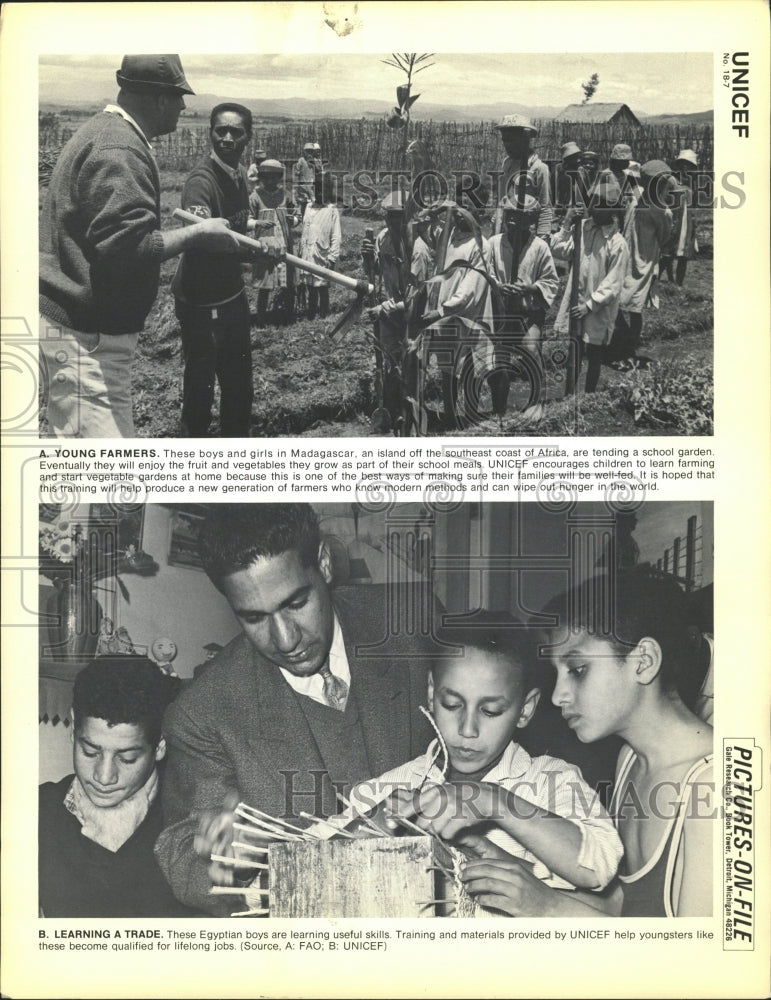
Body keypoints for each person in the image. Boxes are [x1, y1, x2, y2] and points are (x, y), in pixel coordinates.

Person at [154, 504, 433, 914]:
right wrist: (233, 862)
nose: (285, 640)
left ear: (323, 563)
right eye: (253, 618)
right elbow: (186, 863)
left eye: (296, 603)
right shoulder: (204, 713)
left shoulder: (413, 623)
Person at [317, 617, 623, 915]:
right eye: (452, 705)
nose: (467, 729)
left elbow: (599, 866)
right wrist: (372, 826)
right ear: (431, 693)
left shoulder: (549, 779)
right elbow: (303, 861)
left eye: (490, 711)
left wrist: (493, 799)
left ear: (525, 710)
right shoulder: (394, 785)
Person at [459, 572, 714, 918]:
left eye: (577, 670)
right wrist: (515, 874)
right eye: (558, 673)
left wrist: (547, 907)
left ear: (644, 662)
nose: (557, 695)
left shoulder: (716, 783)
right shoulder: (631, 761)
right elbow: (621, 909)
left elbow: (697, 965)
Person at [39, 54, 244, 438]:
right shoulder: (120, 149)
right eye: (179, 96)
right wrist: (198, 233)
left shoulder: (103, 133)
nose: (184, 107)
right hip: (90, 338)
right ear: (158, 98)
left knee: (80, 462)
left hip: (72, 324)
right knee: (117, 479)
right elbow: (126, 250)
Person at [38, 657, 196, 917]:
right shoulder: (37, 811)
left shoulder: (192, 818)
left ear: (160, 746)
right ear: (73, 726)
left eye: (127, 758)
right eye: (89, 751)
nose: (104, 776)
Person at [172, 102, 258, 438]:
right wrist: (256, 254)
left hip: (231, 293)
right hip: (201, 300)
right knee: (200, 386)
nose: (226, 137)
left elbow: (232, 222)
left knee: (239, 383)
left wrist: (254, 227)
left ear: (246, 138)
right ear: (211, 132)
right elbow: (205, 239)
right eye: (220, 130)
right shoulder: (201, 181)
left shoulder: (236, 175)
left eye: (235, 132)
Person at [420, 191, 496, 429]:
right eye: (458, 209)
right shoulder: (449, 235)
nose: (461, 215)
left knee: (469, 368)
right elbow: (424, 232)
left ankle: (471, 418)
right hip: (446, 314)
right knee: (447, 368)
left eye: (468, 210)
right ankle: (452, 418)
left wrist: (443, 310)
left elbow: (470, 289)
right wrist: (432, 213)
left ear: (477, 214)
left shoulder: (479, 245)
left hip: (467, 314)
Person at [551, 177, 630, 393]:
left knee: (594, 351)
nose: (594, 208)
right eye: (593, 202)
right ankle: (570, 394)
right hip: (576, 298)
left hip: (597, 306)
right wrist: (567, 224)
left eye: (600, 204)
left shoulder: (617, 243)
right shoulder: (583, 228)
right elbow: (558, 250)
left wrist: (590, 304)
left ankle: (589, 395)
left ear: (612, 210)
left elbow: (613, 284)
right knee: (575, 347)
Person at [488, 195, 559, 423]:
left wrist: (530, 288)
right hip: (501, 312)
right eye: (509, 216)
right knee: (499, 361)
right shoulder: (494, 243)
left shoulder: (539, 247)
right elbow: (483, 272)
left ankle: (536, 402)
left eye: (519, 218)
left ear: (530, 221)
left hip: (528, 313)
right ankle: (499, 409)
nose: (512, 222)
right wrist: (498, 286)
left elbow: (550, 280)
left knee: (530, 349)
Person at [613, 159, 674, 362]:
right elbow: (629, 178)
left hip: (644, 261)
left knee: (635, 306)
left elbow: (665, 237)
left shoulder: (662, 211)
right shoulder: (636, 197)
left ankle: (629, 347)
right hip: (625, 255)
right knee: (615, 299)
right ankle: (622, 340)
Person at [249, 158, 298, 326]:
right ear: (261, 178)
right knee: (265, 284)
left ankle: (288, 317)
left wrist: (294, 219)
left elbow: (296, 214)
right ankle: (261, 320)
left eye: (274, 177)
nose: (270, 181)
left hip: (284, 244)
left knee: (287, 283)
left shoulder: (285, 195)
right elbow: (247, 220)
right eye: (266, 177)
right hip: (265, 246)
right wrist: (257, 223)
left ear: (279, 178)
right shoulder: (255, 197)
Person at [491, 114, 553, 241]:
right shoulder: (507, 164)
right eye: (505, 140)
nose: (507, 145)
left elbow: (545, 206)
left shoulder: (539, 168)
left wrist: (542, 237)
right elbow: (502, 201)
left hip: (526, 233)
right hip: (506, 230)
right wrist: (495, 228)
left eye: (512, 140)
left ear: (525, 139)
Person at [297, 172, 341, 319]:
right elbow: (304, 228)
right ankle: (311, 312)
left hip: (322, 252)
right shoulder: (309, 208)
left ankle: (323, 313)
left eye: (324, 189)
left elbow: (336, 235)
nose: (320, 192)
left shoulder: (331, 210)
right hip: (308, 252)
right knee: (310, 284)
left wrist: (332, 256)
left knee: (322, 285)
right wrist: (301, 249)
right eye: (317, 189)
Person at [660, 149, 699, 286]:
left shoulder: (692, 183)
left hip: (687, 222)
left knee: (684, 255)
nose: (685, 168)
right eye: (683, 164)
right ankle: (657, 279)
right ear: (678, 165)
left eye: (689, 166)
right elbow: (662, 200)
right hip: (674, 221)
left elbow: (693, 205)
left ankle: (679, 284)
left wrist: (694, 223)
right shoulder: (671, 181)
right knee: (667, 253)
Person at [291, 141, 317, 216]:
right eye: (307, 151)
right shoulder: (301, 160)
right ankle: (301, 215)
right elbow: (297, 171)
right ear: (304, 152)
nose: (309, 153)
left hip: (311, 184)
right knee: (303, 201)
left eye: (311, 151)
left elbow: (317, 170)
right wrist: (298, 173)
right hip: (303, 184)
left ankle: (310, 215)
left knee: (312, 200)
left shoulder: (313, 160)